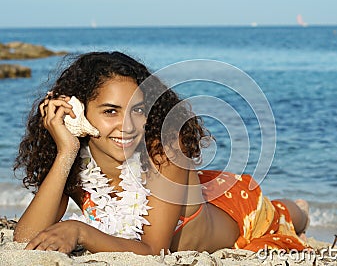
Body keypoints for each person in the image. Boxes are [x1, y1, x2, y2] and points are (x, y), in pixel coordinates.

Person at [13, 51, 310, 255]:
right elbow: (25, 237)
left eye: (138, 110)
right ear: (78, 113)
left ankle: (301, 209)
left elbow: (153, 251)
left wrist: (80, 231)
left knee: (287, 215)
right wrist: (65, 151)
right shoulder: (76, 165)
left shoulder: (166, 155)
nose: (127, 127)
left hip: (244, 214)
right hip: (200, 197)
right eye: (110, 111)